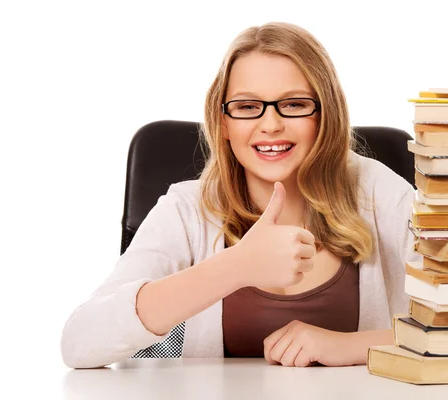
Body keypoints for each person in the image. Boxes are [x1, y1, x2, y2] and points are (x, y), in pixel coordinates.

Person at [61, 21, 419, 369]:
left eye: (294, 104)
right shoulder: (187, 210)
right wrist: (236, 266)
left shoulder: (377, 192)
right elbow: (79, 343)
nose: (271, 124)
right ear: (224, 124)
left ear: (326, 116)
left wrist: (351, 346)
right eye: (247, 107)